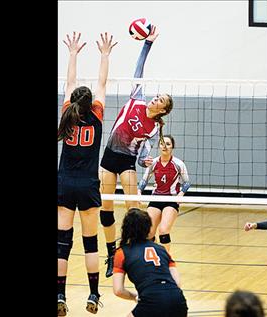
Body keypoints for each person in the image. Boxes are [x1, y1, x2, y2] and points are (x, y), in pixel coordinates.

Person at [99, 25, 174, 278]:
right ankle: (111, 254)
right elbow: (139, 68)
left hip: (127, 162)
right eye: (157, 97)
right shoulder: (137, 97)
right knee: (105, 207)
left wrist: (145, 161)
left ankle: (132, 251)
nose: (155, 99)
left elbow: (142, 154)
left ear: (162, 110)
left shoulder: (153, 129)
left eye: (160, 101)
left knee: (134, 208)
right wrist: (147, 43)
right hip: (108, 158)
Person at [57, 31, 117, 316]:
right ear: (91, 102)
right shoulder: (98, 114)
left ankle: (59, 295)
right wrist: (105, 55)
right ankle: (93, 294)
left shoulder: (67, 112)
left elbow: (69, 83)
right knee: (90, 244)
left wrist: (72, 53)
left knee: (62, 244)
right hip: (89, 185)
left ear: (72, 100)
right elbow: (102, 83)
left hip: (64, 184)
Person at [112, 208, 188, 317]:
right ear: (148, 227)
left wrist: (134, 296)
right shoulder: (162, 249)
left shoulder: (122, 253)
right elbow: (177, 283)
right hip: (178, 301)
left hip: (152, 301)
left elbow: (118, 290)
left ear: (126, 228)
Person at [137, 135, 190, 252]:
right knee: (149, 232)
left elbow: (186, 183)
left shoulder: (178, 164)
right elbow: (144, 180)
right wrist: (139, 191)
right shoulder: (154, 162)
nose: (164, 146)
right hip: (156, 199)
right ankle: (155, 256)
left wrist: (181, 193)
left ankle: (166, 261)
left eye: (168, 144)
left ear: (172, 147)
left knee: (163, 230)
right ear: (159, 146)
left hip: (171, 200)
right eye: (162, 143)